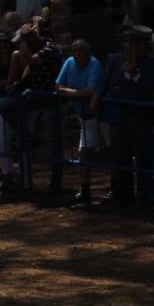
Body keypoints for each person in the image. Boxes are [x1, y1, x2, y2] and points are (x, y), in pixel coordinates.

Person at [57, 38, 103, 208]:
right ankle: (85, 190)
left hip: (98, 116)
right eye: (74, 51)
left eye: (81, 51)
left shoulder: (95, 65)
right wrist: (77, 94)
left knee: (107, 151)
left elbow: (91, 91)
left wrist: (70, 94)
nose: (77, 54)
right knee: (83, 152)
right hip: (83, 116)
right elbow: (58, 86)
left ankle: (114, 188)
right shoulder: (69, 62)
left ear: (88, 52)